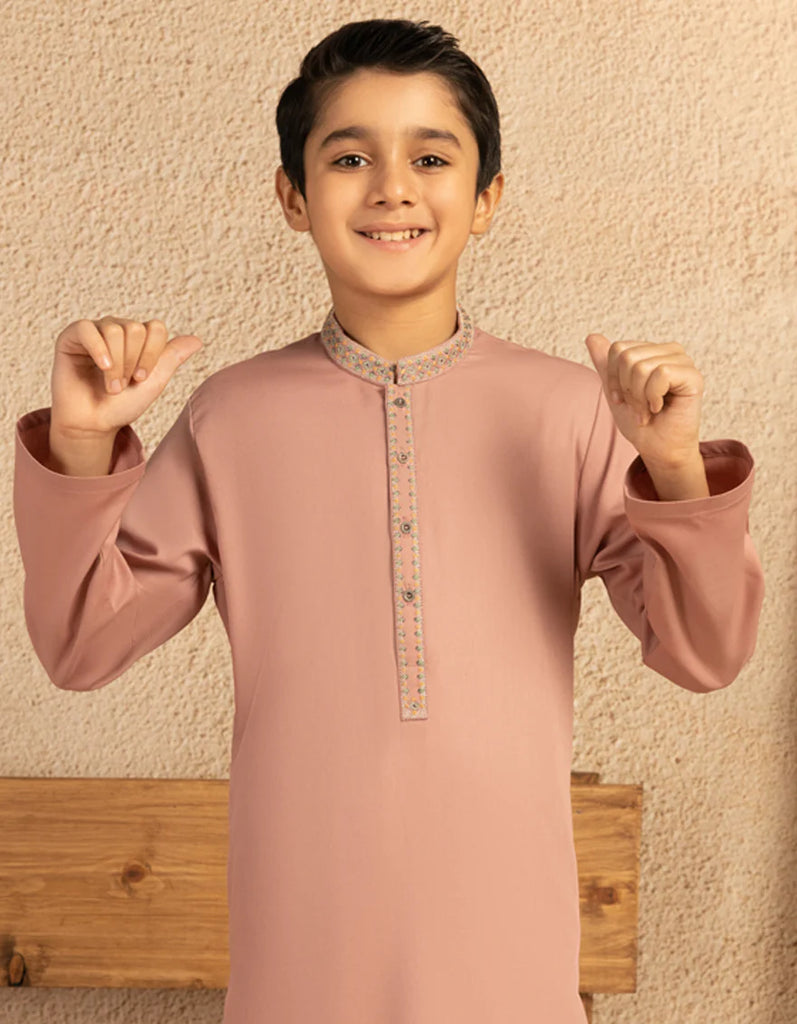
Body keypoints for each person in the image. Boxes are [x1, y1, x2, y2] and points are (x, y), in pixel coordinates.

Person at [13, 18, 764, 1024]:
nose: (391, 188)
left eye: (431, 158)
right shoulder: (232, 415)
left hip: (507, 961)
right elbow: (81, 646)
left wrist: (670, 467)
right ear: (292, 196)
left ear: (486, 198)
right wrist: (80, 443)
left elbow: (704, 652)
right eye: (349, 157)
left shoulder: (574, 412)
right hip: (302, 956)